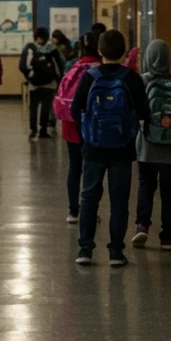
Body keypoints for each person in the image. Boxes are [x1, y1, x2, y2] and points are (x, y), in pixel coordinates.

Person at [70, 29, 151, 268]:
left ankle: (85, 248)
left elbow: (75, 111)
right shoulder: (131, 78)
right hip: (122, 149)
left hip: (93, 147)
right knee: (119, 200)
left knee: (89, 197)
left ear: (99, 51)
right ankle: (116, 252)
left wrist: (88, 129)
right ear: (124, 52)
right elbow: (145, 113)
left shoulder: (89, 77)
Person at [133, 39, 171, 250]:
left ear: (148, 58)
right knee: (169, 193)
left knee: (146, 186)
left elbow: (134, 114)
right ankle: (167, 236)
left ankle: (142, 226)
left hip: (147, 147)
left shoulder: (141, 82)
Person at [54, 32, 100, 224]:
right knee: (93, 169)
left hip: (71, 124)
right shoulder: (100, 70)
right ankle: (91, 210)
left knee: (74, 166)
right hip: (94, 126)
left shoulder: (72, 67)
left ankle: (73, 211)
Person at [20, 27, 64, 140]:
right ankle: (43, 130)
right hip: (49, 83)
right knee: (46, 107)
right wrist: (58, 80)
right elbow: (61, 65)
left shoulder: (30, 48)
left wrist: (29, 77)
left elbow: (23, 66)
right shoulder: (53, 49)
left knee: (33, 107)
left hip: (34, 83)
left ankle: (33, 130)